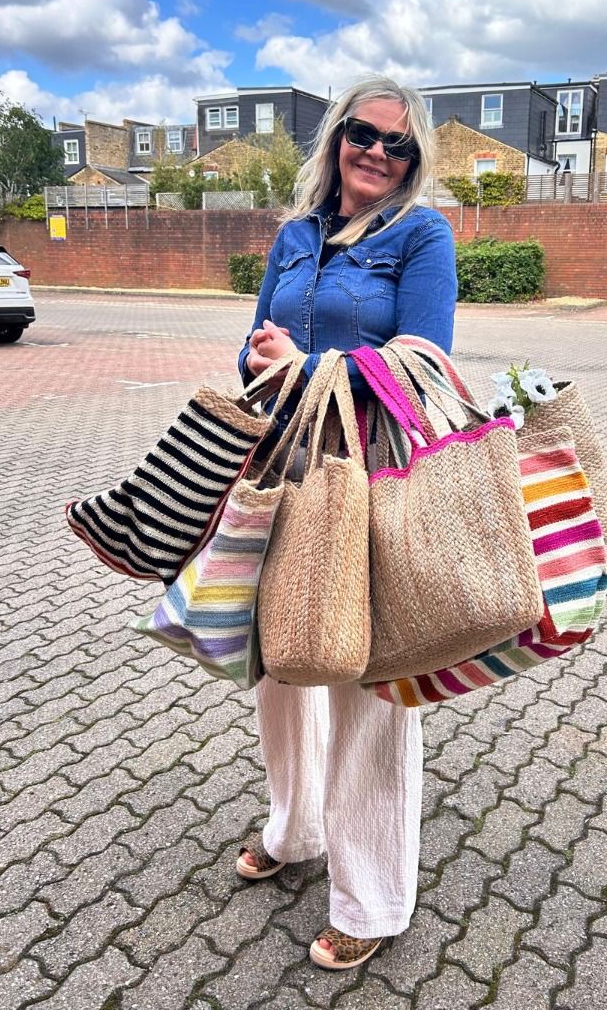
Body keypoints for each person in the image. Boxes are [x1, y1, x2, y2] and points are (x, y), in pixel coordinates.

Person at [235, 74, 458, 970]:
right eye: (362, 133)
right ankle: (294, 833)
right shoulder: (293, 237)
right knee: (281, 660)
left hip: (369, 470)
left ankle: (372, 893)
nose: (377, 152)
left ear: (414, 159)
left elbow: (426, 362)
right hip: (283, 464)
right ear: (335, 138)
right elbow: (258, 337)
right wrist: (258, 370)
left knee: (366, 674)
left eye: (396, 144)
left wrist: (308, 364)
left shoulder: (421, 234)